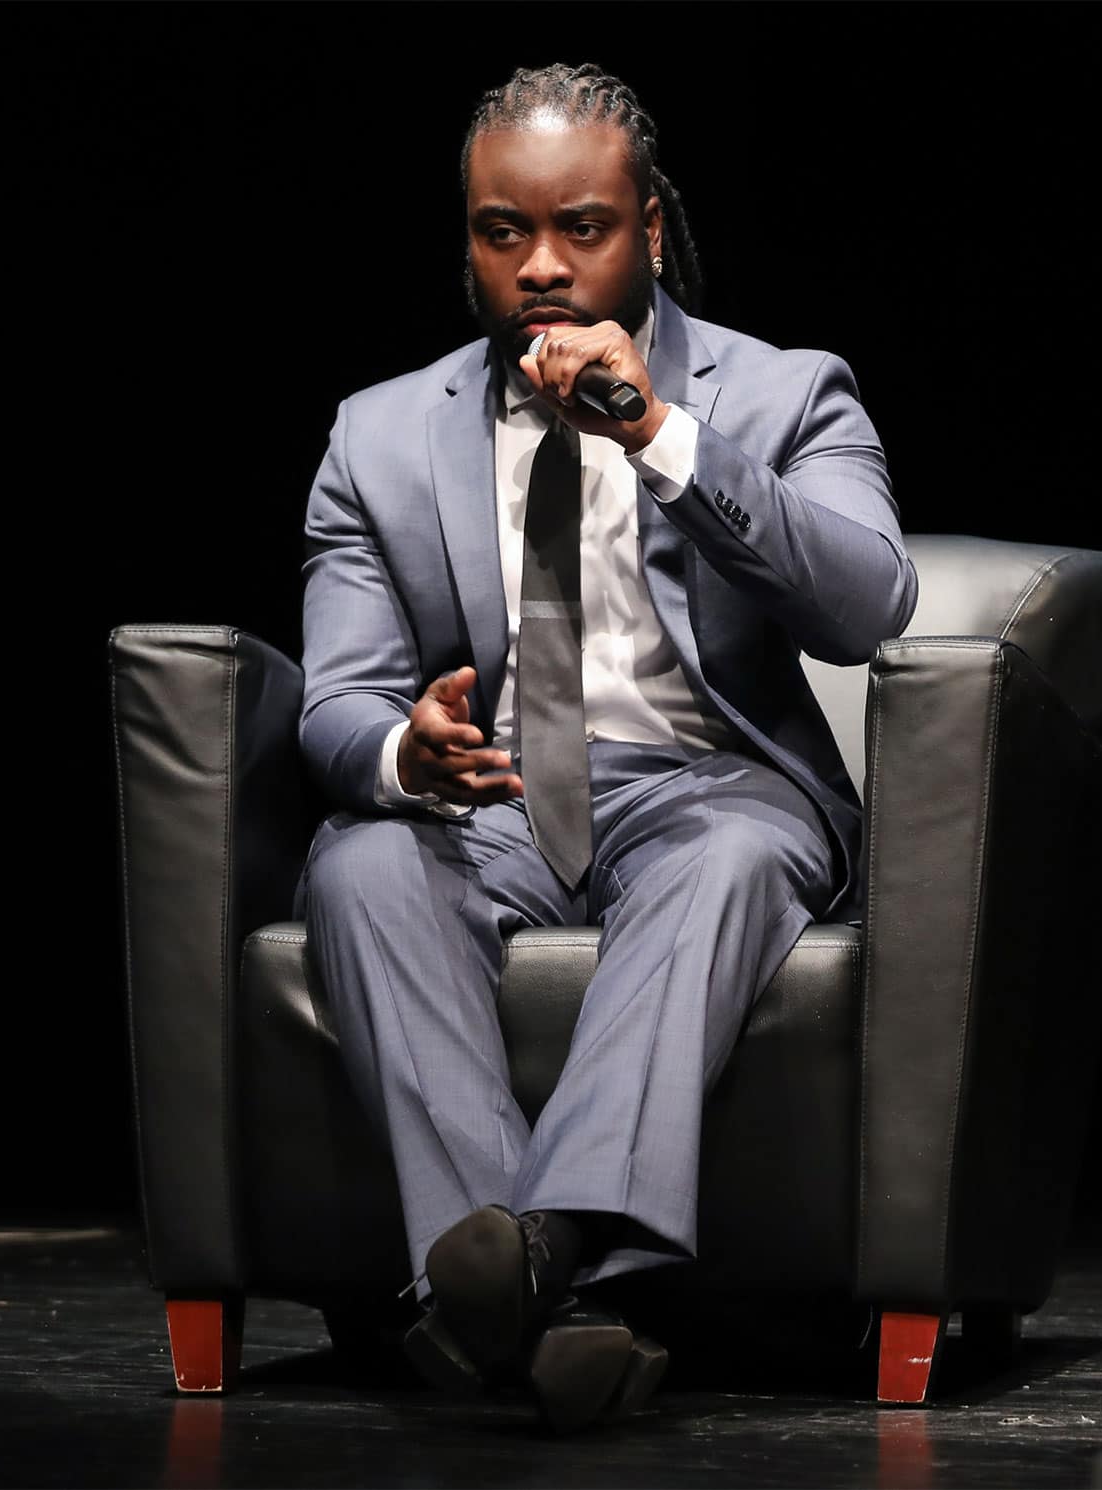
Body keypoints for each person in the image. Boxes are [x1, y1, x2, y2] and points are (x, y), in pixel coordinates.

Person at [294, 62, 916, 1431]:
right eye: (501, 232)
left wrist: (658, 430)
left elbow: (872, 600)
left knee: (732, 860)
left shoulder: (785, 391)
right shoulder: (381, 437)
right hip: (492, 805)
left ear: (650, 225)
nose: (541, 265)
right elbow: (331, 701)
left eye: (582, 227)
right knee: (357, 871)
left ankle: (520, 1260)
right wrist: (405, 747)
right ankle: (556, 1309)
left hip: (709, 790)